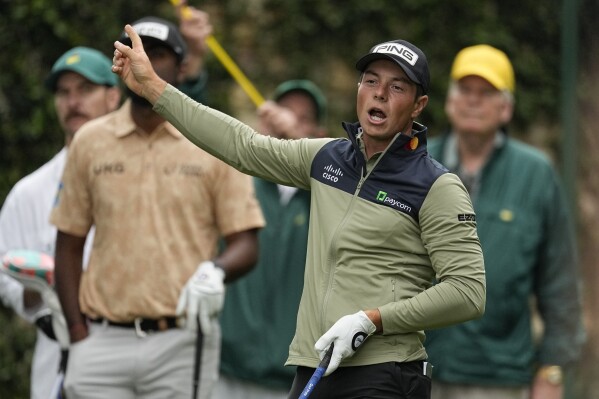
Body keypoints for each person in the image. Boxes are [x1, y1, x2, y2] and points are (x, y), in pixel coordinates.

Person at [113, 29, 488, 399]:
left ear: (418, 105)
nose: (379, 93)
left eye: (397, 87)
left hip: (386, 372)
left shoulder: (436, 186)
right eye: (371, 80)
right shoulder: (328, 158)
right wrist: (153, 89)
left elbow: (468, 292)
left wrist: (372, 319)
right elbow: (242, 146)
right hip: (317, 365)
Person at [50, 16, 265, 399]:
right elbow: (68, 243)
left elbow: (245, 243)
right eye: (136, 51)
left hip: (180, 344)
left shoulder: (211, 140)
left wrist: (214, 271)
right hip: (99, 340)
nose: (145, 61)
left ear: (182, 68)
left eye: (159, 54)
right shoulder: (89, 141)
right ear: (120, 64)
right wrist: (77, 333)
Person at [425, 44, 585, 399]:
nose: (473, 101)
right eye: (464, 90)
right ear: (449, 101)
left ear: (506, 108)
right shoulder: (417, 164)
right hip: (417, 369)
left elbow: (559, 280)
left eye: (486, 93)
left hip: (500, 376)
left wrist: (552, 371)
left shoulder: (536, 173)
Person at [0, 46, 121, 399]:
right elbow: (6, 274)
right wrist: (38, 282)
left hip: (131, 348)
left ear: (113, 97)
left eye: (85, 90)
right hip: (57, 355)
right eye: (64, 92)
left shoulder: (141, 177)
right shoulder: (29, 191)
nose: (73, 101)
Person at [213, 80, 328, 399]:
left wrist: (296, 139)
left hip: (292, 380)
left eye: (303, 118)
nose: (288, 122)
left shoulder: (326, 197)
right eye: (283, 112)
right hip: (227, 369)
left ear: (319, 134)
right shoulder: (239, 181)